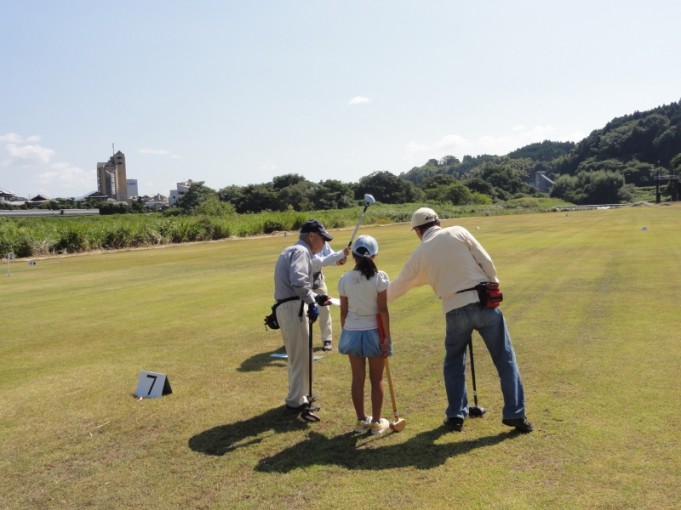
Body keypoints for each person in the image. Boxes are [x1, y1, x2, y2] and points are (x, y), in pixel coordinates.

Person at [387, 207, 533, 433]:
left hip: (453, 309)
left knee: (454, 363)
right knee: (505, 359)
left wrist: (373, 301)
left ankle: (456, 415)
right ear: (438, 222)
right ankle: (515, 413)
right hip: (483, 303)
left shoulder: (420, 252)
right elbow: (485, 260)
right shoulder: (458, 231)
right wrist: (493, 283)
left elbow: (399, 285)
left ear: (417, 231)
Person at [273, 220, 332, 421]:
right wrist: (311, 302)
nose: (324, 243)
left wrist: (316, 298)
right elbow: (298, 282)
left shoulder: (292, 250)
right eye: (322, 238)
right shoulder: (301, 251)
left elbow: (298, 285)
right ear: (312, 236)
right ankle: (297, 401)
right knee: (300, 357)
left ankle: (298, 396)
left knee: (298, 356)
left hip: (288, 307)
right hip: (293, 308)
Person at [337, 235, 392, 435]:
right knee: (376, 379)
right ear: (374, 255)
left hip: (352, 332)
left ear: (353, 255)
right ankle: (376, 422)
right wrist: (387, 337)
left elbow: (343, 312)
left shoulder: (344, 279)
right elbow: (382, 310)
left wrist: (346, 331)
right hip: (374, 332)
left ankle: (361, 421)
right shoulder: (380, 277)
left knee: (357, 378)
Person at [312, 241, 350, 351]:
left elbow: (330, 257)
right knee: (301, 312)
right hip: (303, 284)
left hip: (318, 281)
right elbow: (322, 261)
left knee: (325, 310)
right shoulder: (304, 248)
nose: (324, 241)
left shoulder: (323, 243)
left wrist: (340, 261)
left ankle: (327, 339)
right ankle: (297, 339)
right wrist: (341, 254)